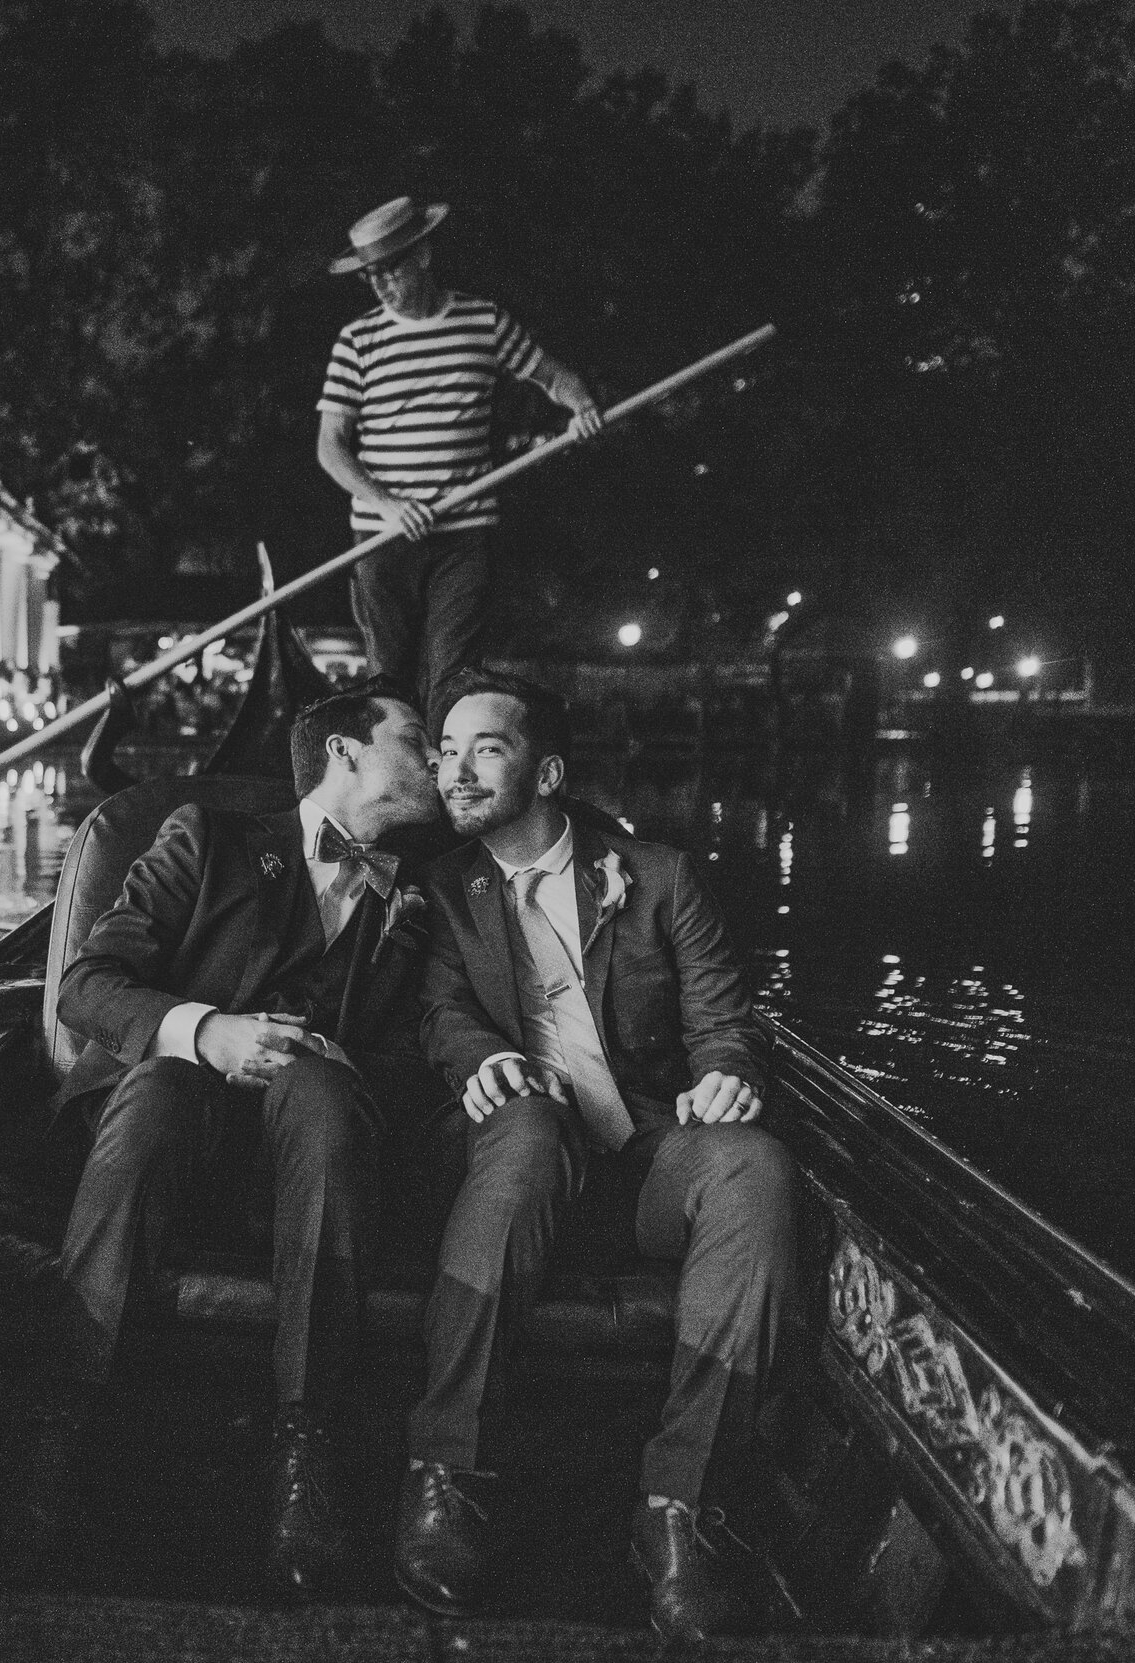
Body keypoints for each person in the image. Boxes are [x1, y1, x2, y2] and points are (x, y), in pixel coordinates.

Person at [398, 668, 798, 1639]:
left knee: (751, 1163)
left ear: (548, 771)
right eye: (444, 751)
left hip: (642, 1161)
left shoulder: (656, 875)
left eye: (483, 748)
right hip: (519, 1158)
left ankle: (678, 1510)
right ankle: (447, 1475)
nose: (454, 770)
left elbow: (719, 1018)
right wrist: (482, 1057)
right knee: (526, 1131)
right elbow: (440, 1011)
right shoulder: (442, 890)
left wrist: (725, 1072)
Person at [31, 679, 445, 1594]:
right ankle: (69, 1417)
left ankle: (304, 1444)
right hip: (173, 1117)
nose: (437, 757)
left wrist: (342, 1058)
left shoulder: (418, 891)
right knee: (163, 1090)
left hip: (316, 1155)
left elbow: (419, 1055)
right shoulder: (207, 839)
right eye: (416, 738)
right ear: (346, 752)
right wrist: (206, 1029)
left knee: (326, 1097)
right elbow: (88, 983)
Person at [316, 198, 604, 724]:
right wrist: (388, 505)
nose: (380, 286)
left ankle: (451, 788)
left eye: (389, 270)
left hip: (465, 533)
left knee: (454, 673)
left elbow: (553, 377)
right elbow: (330, 447)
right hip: (383, 537)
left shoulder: (484, 321)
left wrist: (581, 406)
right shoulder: (356, 341)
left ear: (423, 255)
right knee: (389, 677)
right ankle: (398, 791)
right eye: (370, 277)